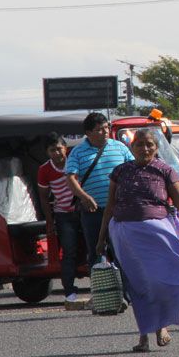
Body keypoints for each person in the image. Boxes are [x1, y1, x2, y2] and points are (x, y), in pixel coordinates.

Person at [95, 129, 179, 352]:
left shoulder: (165, 170)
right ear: (131, 147)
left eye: (149, 145)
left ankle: (162, 326)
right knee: (138, 285)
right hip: (125, 235)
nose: (144, 149)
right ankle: (144, 335)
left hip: (157, 234)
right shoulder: (120, 172)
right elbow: (110, 206)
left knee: (160, 281)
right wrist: (102, 237)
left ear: (156, 148)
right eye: (139, 144)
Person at [65, 113, 135, 269]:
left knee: (123, 252)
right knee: (97, 252)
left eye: (106, 128)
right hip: (93, 212)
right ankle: (102, 291)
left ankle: (127, 290)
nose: (105, 132)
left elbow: (133, 171)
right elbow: (70, 178)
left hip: (120, 211)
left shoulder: (120, 147)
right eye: (99, 129)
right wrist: (84, 197)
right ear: (88, 133)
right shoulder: (77, 152)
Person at [36, 132, 82, 302]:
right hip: (63, 215)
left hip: (82, 210)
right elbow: (43, 196)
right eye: (52, 150)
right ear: (47, 152)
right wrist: (50, 220)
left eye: (59, 149)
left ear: (66, 148)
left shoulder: (75, 161)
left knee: (94, 249)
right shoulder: (44, 170)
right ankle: (69, 291)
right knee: (68, 252)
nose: (57, 153)